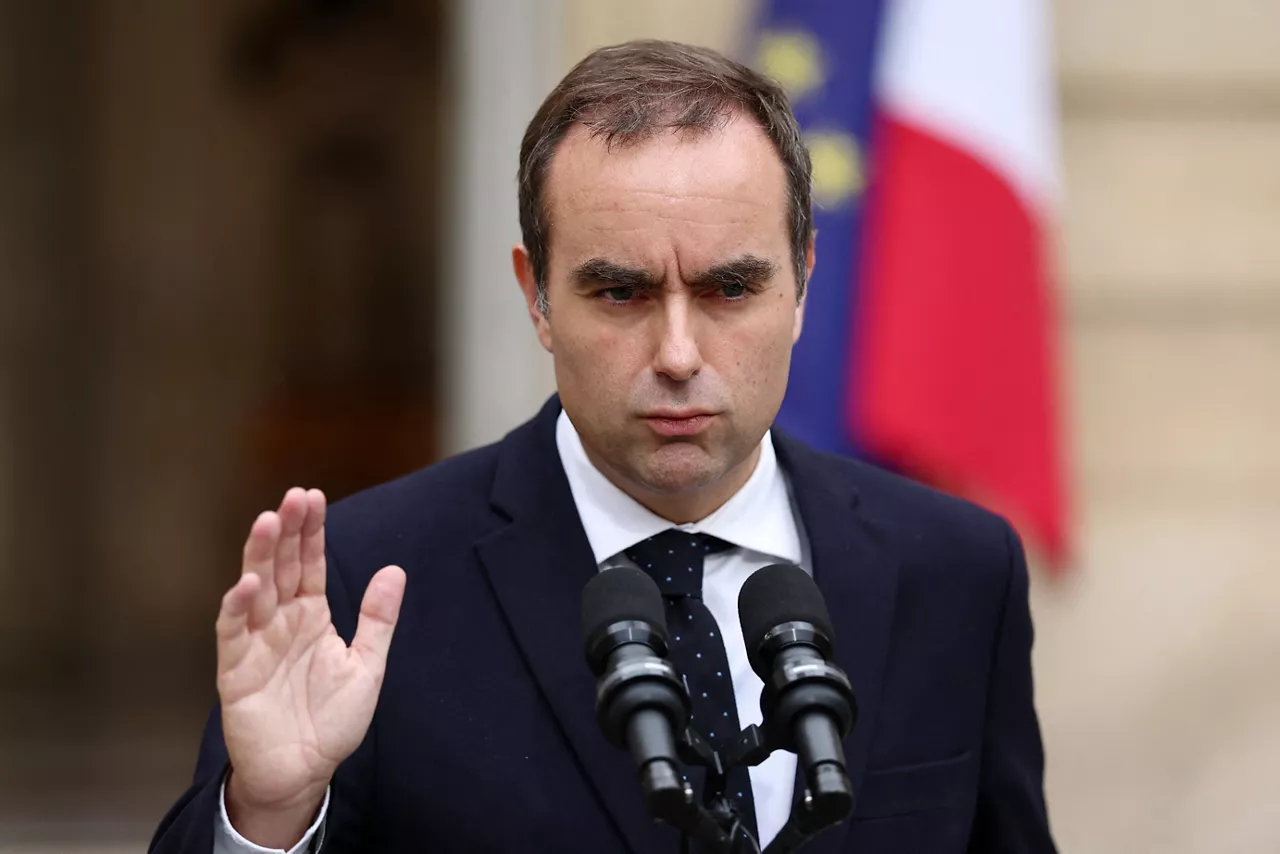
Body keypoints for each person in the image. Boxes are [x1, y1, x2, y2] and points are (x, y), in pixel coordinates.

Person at [149, 40, 1056, 854]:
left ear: (805, 282)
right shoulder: (368, 580)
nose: (676, 355)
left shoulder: (958, 571)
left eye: (730, 289)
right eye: (619, 294)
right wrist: (268, 816)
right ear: (537, 297)